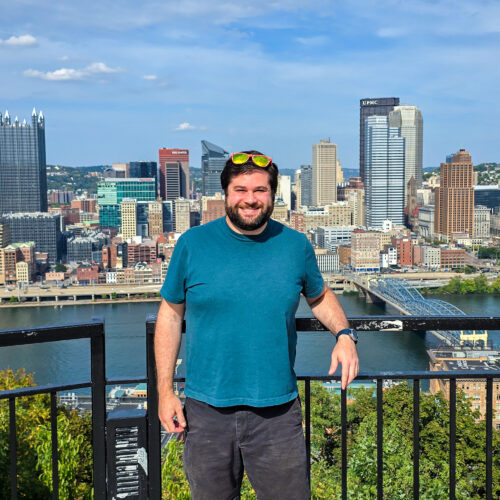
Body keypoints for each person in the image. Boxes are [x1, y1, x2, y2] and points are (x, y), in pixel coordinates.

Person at [155, 151, 359, 499]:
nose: (250, 199)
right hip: (206, 412)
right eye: (241, 189)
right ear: (225, 194)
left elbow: (320, 296)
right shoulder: (193, 244)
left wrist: (344, 335)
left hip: (277, 413)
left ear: (273, 195)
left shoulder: (295, 245)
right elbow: (170, 316)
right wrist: (165, 392)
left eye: (260, 190)